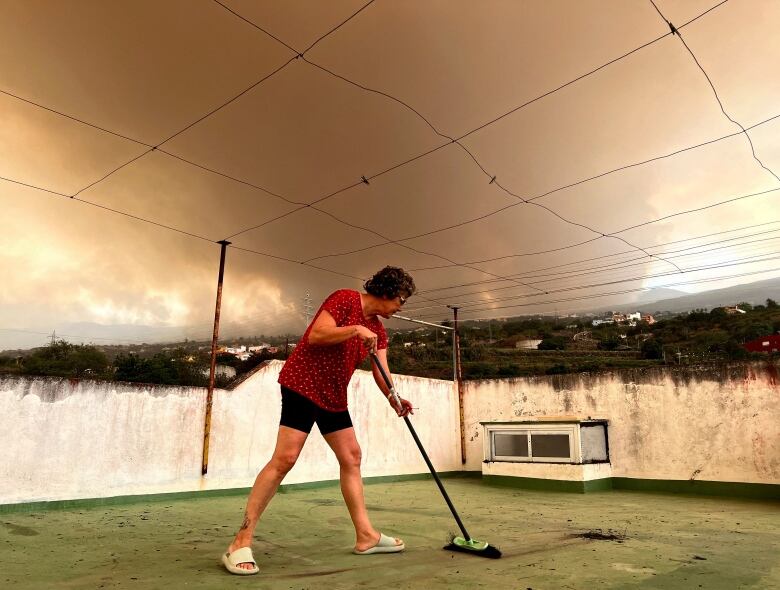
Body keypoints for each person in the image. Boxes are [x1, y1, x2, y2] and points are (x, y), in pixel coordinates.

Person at [222, 266, 416, 575]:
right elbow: (316, 335)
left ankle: (365, 536)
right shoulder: (344, 300)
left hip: (333, 396)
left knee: (352, 456)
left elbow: (381, 368)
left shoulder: (378, 330)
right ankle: (240, 541)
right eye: (402, 300)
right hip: (303, 385)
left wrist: (394, 398)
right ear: (387, 292)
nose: (401, 307)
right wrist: (354, 329)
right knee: (284, 458)